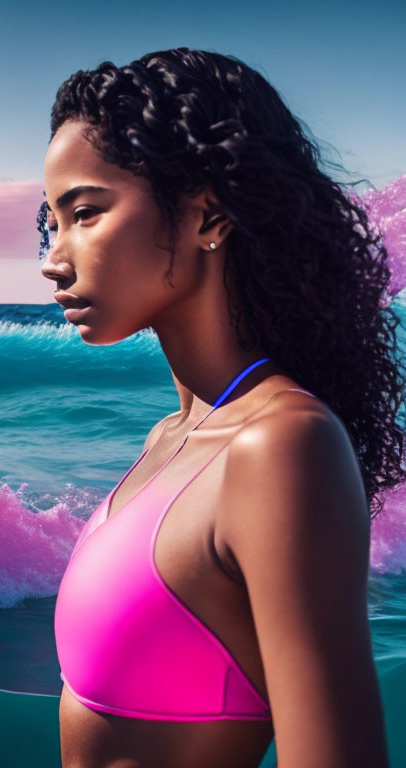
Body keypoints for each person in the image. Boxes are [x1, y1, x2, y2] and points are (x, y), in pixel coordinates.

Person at [39, 48, 402, 768]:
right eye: (53, 222)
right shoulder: (172, 435)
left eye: (85, 213)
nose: (54, 258)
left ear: (208, 214)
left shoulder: (281, 449)